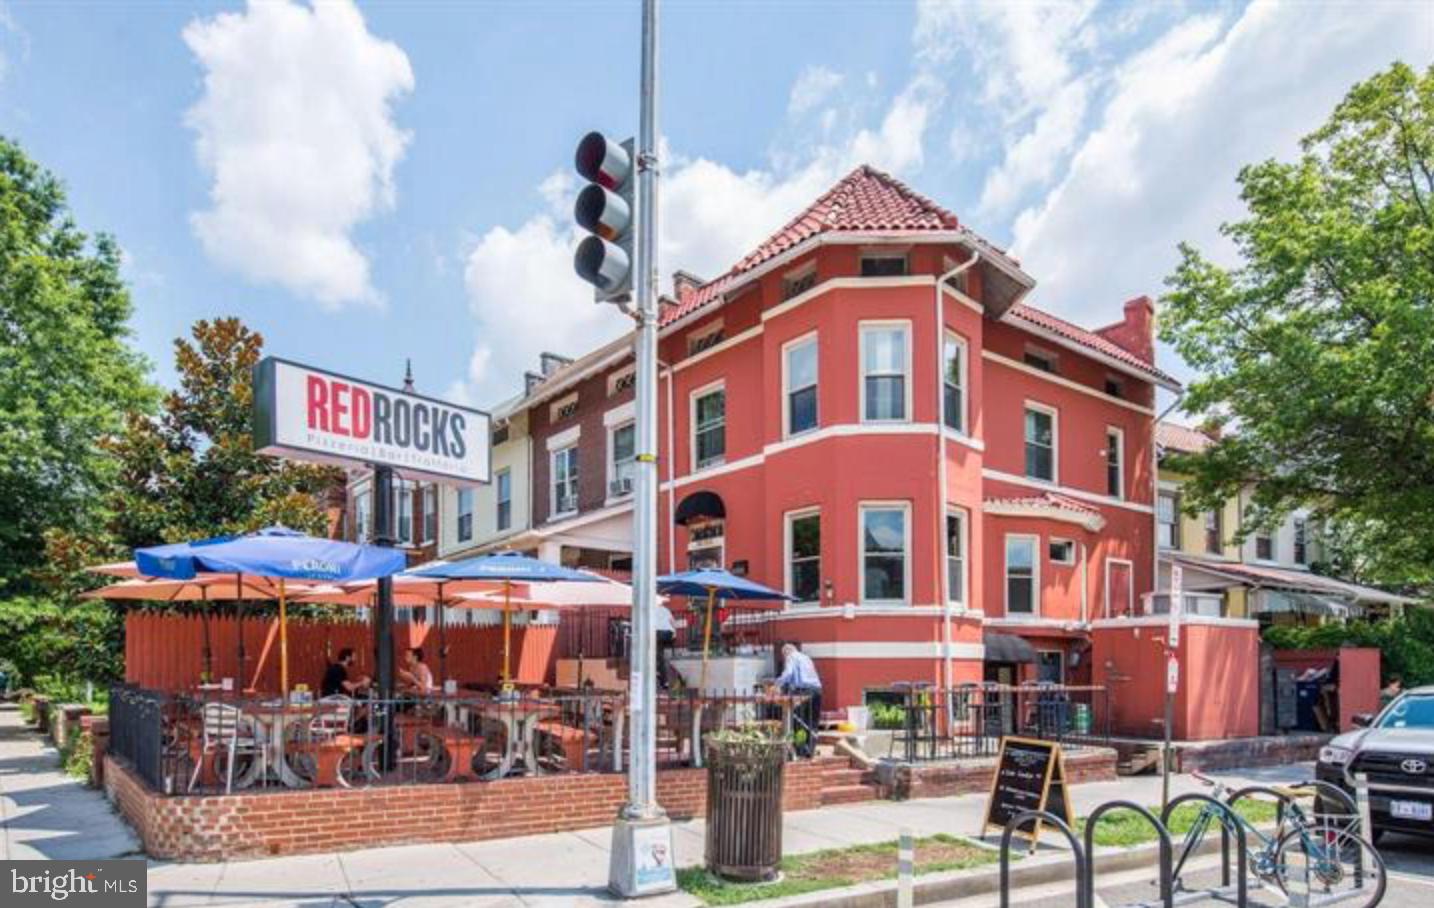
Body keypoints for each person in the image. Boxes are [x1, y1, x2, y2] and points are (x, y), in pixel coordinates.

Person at [775, 642, 822, 758]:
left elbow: (788, 673)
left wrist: (776, 684)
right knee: (812, 721)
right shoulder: (806, 658)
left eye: (783, 656)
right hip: (817, 690)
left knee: (796, 720)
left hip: (803, 691)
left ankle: (800, 750)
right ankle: (810, 750)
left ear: (786, 652)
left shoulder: (791, 656)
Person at [654, 601, 676, 690]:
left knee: (658, 654)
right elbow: (672, 622)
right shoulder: (666, 610)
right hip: (668, 633)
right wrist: (675, 633)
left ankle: (662, 676)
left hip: (658, 633)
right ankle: (660, 674)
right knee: (659, 653)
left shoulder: (651, 609)